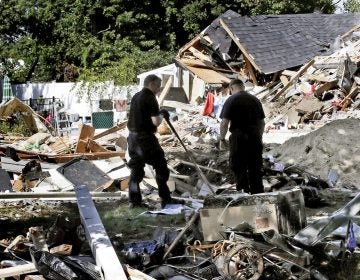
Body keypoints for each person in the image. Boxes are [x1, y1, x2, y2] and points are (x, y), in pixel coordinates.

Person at [127, 74, 183, 208]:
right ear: (151, 84)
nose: (158, 89)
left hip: (132, 138)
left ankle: (134, 202)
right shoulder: (149, 97)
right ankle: (166, 199)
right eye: (158, 86)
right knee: (161, 167)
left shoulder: (136, 96)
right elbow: (156, 122)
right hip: (145, 139)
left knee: (136, 171)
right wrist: (162, 114)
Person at [219, 78, 265, 194]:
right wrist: (259, 137)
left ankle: (244, 194)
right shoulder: (255, 100)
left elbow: (224, 123)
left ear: (232, 88)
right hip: (254, 137)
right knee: (255, 168)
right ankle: (258, 194)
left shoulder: (231, 100)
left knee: (239, 167)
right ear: (243, 87)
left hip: (238, 138)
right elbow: (262, 123)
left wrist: (222, 139)